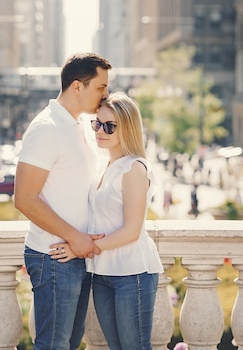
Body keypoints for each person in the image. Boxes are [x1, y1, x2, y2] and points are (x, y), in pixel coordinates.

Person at [13, 52, 111, 350]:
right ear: (77, 87)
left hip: (76, 253)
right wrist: (75, 237)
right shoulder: (47, 129)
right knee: (54, 345)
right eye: (100, 87)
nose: (106, 94)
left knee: (68, 343)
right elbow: (24, 199)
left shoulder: (79, 126)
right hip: (53, 256)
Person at [51, 92, 163, 350]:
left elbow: (132, 231)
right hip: (101, 273)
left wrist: (80, 247)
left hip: (133, 273)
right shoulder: (104, 165)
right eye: (97, 123)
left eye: (109, 126)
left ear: (128, 128)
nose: (100, 131)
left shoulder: (134, 168)